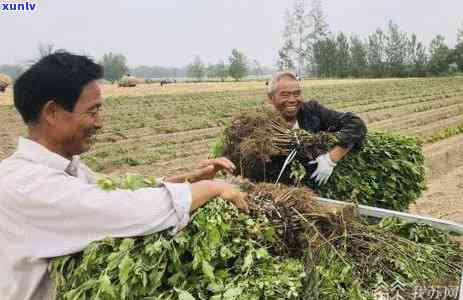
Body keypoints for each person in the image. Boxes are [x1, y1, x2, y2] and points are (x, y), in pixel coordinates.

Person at [0, 52, 248, 300]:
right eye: (92, 112)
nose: (99, 124)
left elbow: (116, 191)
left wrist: (190, 179)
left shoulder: (63, 169)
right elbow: (120, 209)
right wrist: (209, 189)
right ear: (52, 112)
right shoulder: (27, 185)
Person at [266, 70, 367, 185]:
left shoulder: (312, 111)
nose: (292, 100)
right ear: (270, 98)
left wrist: (331, 159)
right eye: (285, 95)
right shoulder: (261, 126)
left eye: (297, 94)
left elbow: (356, 124)